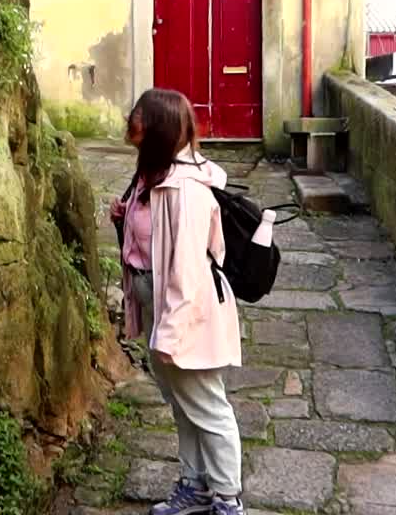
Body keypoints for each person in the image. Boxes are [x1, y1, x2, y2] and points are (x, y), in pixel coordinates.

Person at [110, 88, 244, 515]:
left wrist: (169, 334)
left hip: (187, 316)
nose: (131, 122)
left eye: (139, 117)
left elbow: (186, 272)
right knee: (185, 405)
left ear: (158, 129)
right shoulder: (153, 176)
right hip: (161, 311)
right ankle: (196, 486)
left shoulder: (185, 191)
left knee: (208, 406)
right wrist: (125, 216)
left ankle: (227, 500)